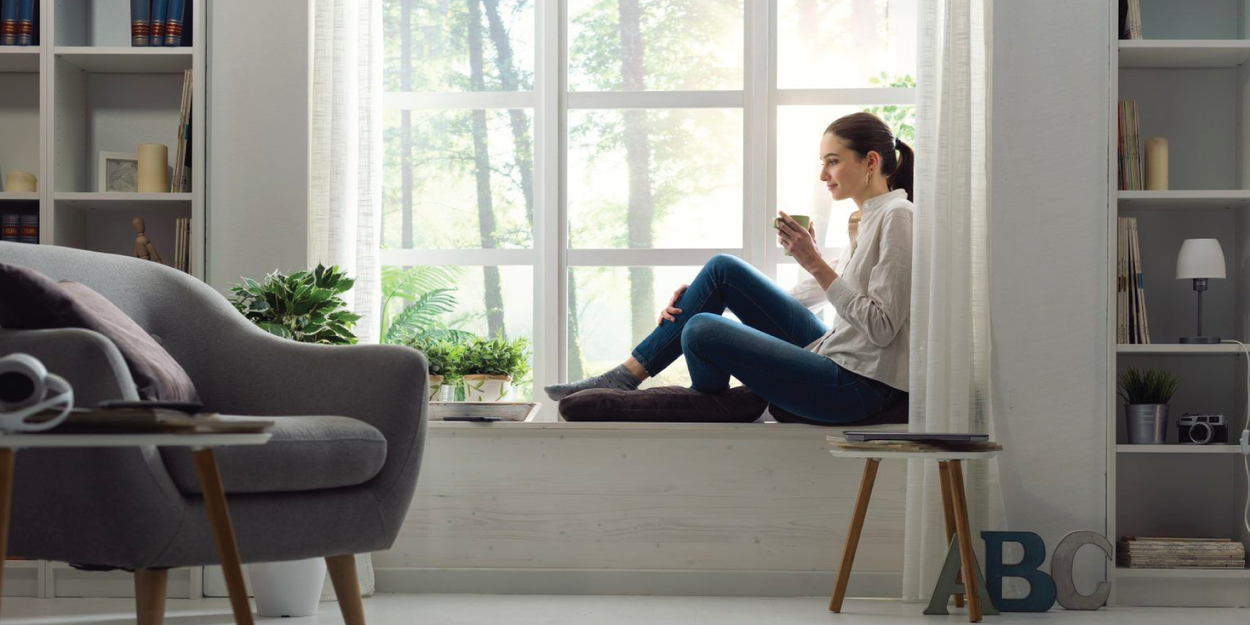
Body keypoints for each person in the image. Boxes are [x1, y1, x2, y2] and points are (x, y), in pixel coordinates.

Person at [544, 111, 914, 424]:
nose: (823, 174)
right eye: (823, 162)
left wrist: (814, 262)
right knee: (721, 272)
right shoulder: (863, 219)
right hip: (834, 354)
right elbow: (814, 294)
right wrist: (702, 300)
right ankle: (626, 375)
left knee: (702, 330)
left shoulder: (898, 217)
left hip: (857, 386)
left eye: (832, 161)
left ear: (870, 162)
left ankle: (712, 398)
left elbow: (881, 328)